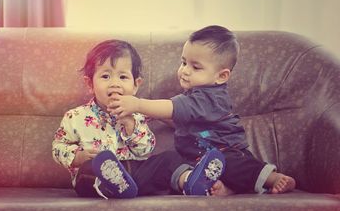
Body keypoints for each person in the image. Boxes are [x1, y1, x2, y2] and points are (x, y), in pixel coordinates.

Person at [108, 26, 296, 195]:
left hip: (225, 151)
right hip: (196, 159)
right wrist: (154, 115)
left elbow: (172, 108)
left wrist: (138, 105)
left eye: (195, 67)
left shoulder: (210, 98)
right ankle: (223, 188)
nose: (185, 71)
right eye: (183, 63)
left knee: (231, 165)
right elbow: (180, 119)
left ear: (221, 76)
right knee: (173, 163)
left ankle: (273, 177)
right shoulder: (193, 96)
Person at [52, 39, 227, 199]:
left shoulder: (137, 114)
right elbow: (59, 146)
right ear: (90, 84)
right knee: (88, 171)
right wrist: (77, 157)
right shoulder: (75, 117)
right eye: (105, 76)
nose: (115, 83)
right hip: (95, 178)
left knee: (169, 159)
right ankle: (111, 186)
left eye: (123, 77)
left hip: (134, 175)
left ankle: (190, 181)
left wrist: (130, 124)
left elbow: (145, 151)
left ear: (136, 85)